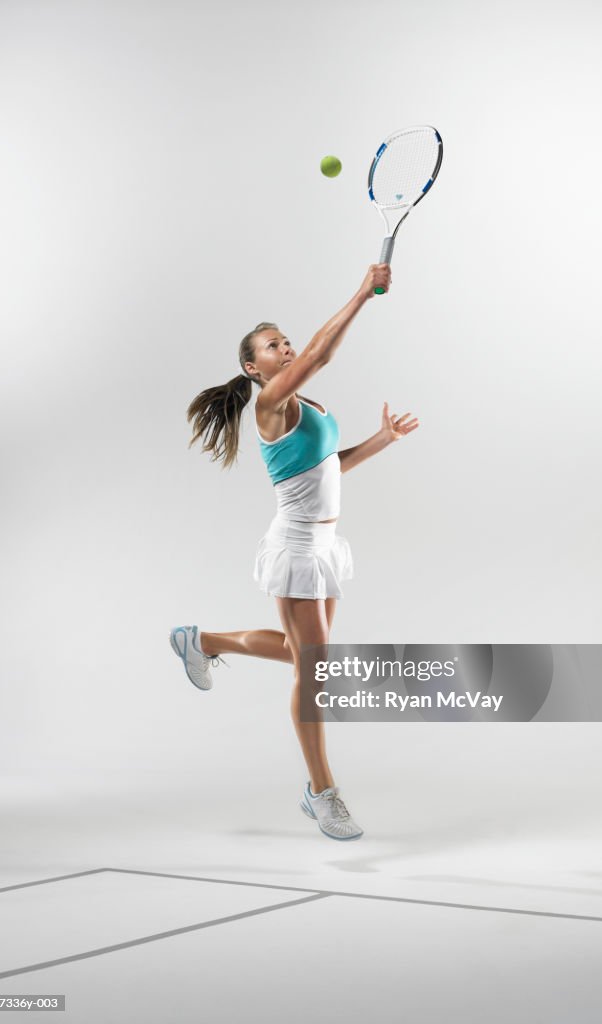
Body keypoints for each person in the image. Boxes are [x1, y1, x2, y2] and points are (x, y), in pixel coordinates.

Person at [169, 263, 419, 840]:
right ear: (254, 369)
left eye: (284, 339)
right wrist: (362, 293)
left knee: (310, 660)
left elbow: (330, 467)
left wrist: (383, 440)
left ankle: (202, 641)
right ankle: (321, 792)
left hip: (326, 546)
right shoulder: (271, 405)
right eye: (272, 345)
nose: (284, 347)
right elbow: (321, 354)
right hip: (297, 548)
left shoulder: (313, 408)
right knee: (315, 672)